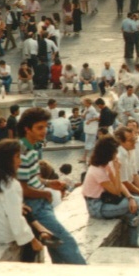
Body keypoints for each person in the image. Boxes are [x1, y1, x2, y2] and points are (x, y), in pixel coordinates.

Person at [17, 107, 87, 264]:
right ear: (27, 129)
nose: (45, 131)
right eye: (39, 128)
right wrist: (45, 194)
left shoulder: (32, 148)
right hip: (36, 208)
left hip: (41, 205)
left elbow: (32, 179)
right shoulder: (21, 151)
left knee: (56, 248)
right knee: (67, 243)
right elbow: (21, 189)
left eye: (46, 126)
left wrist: (49, 183)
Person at [0, 139, 50, 262]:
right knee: (31, 234)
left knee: (24, 211)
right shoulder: (11, 184)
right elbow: (15, 220)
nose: (20, 161)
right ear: (7, 159)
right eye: (17, 157)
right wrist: (33, 241)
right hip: (2, 235)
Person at [81, 135, 139, 245]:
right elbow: (117, 191)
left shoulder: (104, 165)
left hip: (105, 201)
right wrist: (118, 170)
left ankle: (134, 244)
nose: (116, 154)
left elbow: (119, 184)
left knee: (133, 211)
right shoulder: (97, 171)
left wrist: (130, 197)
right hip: (97, 207)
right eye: (115, 152)